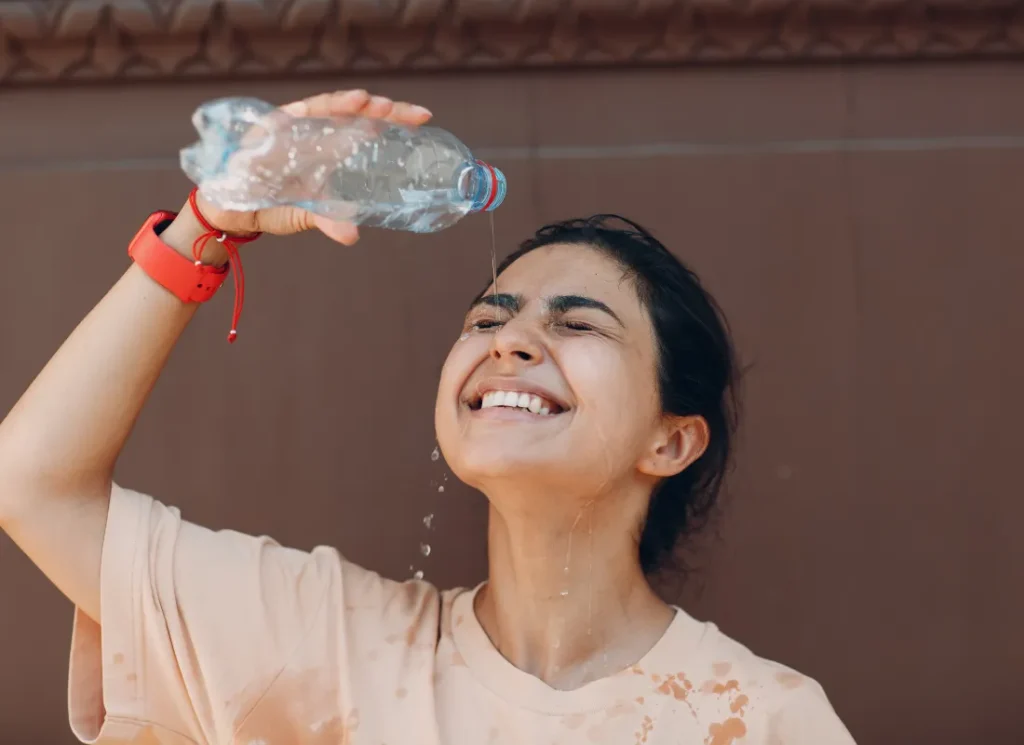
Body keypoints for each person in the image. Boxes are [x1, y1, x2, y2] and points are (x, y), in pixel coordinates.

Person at [0, 89, 855, 745]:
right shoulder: (326, 642)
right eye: (489, 318)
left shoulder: (762, 718)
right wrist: (207, 224)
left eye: (577, 322)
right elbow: (29, 481)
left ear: (671, 440)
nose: (510, 341)